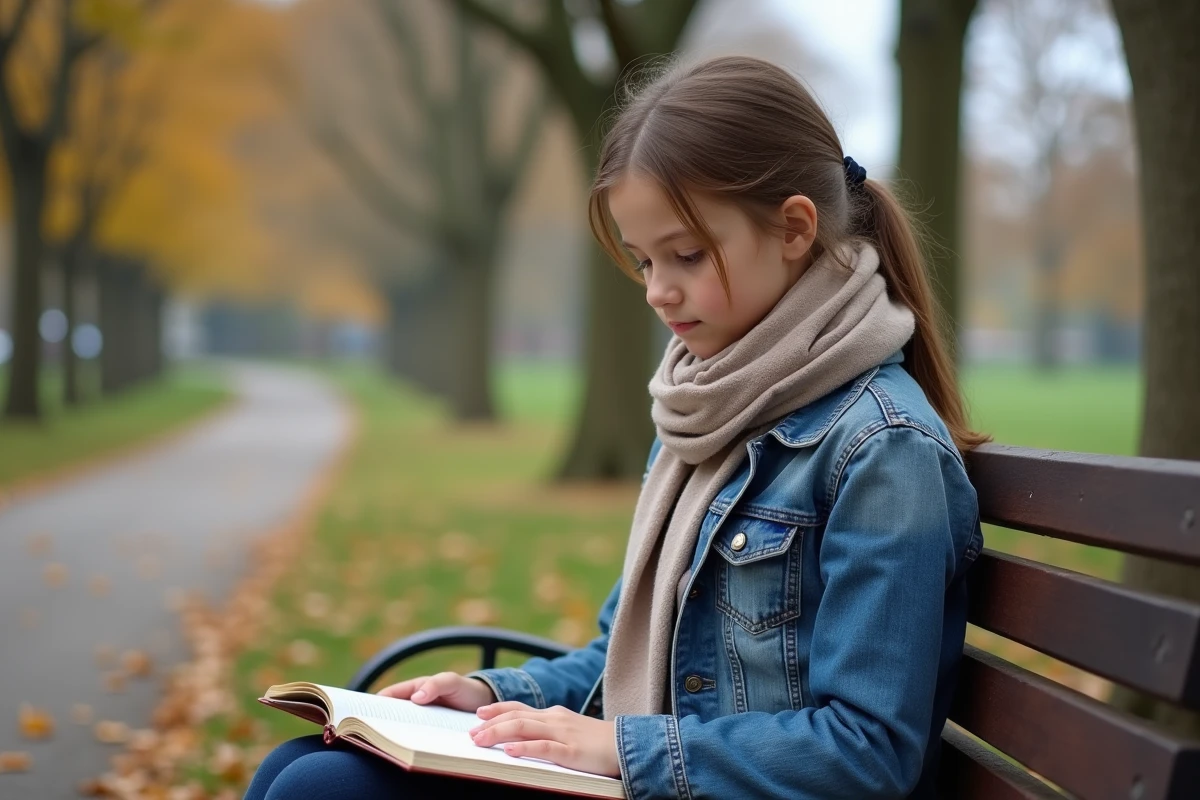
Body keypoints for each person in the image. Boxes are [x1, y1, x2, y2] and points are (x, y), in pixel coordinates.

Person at [244, 54, 986, 800]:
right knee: (298, 767)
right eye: (643, 261)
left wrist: (623, 749)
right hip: (659, 777)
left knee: (319, 790)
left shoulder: (880, 451)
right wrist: (494, 697)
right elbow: (623, 657)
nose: (658, 291)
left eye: (686, 256)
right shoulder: (705, 415)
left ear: (794, 228)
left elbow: (867, 751)